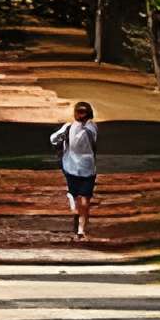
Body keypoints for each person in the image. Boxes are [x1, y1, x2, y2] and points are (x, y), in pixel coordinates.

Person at [51, 101, 101, 239]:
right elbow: (54, 138)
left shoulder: (91, 127)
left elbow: (80, 139)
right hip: (71, 167)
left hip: (87, 169)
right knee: (76, 198)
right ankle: (75, 210)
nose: (81, 115)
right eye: (79, 112)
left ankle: (81, 229)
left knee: (85, 201)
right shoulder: (69, 127)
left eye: (83, 112)